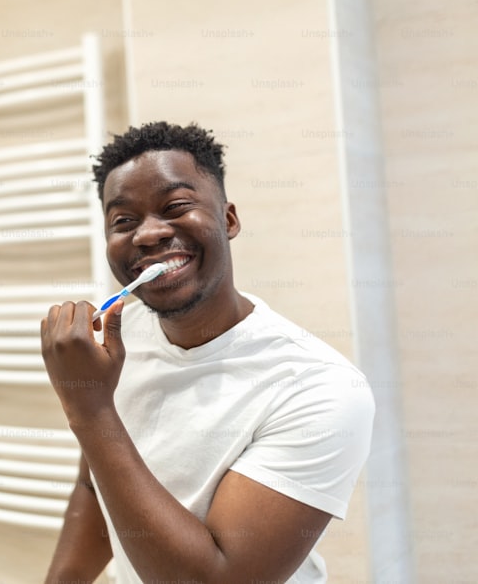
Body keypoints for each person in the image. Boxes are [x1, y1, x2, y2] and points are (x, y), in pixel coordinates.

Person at [40, 122, 374, 583]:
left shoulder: (321, 387)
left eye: (175, 206)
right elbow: (94, 487)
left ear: (229, 219)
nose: (148, 235)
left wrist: (90, 409)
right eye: (123, 221)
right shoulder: (121, 338)